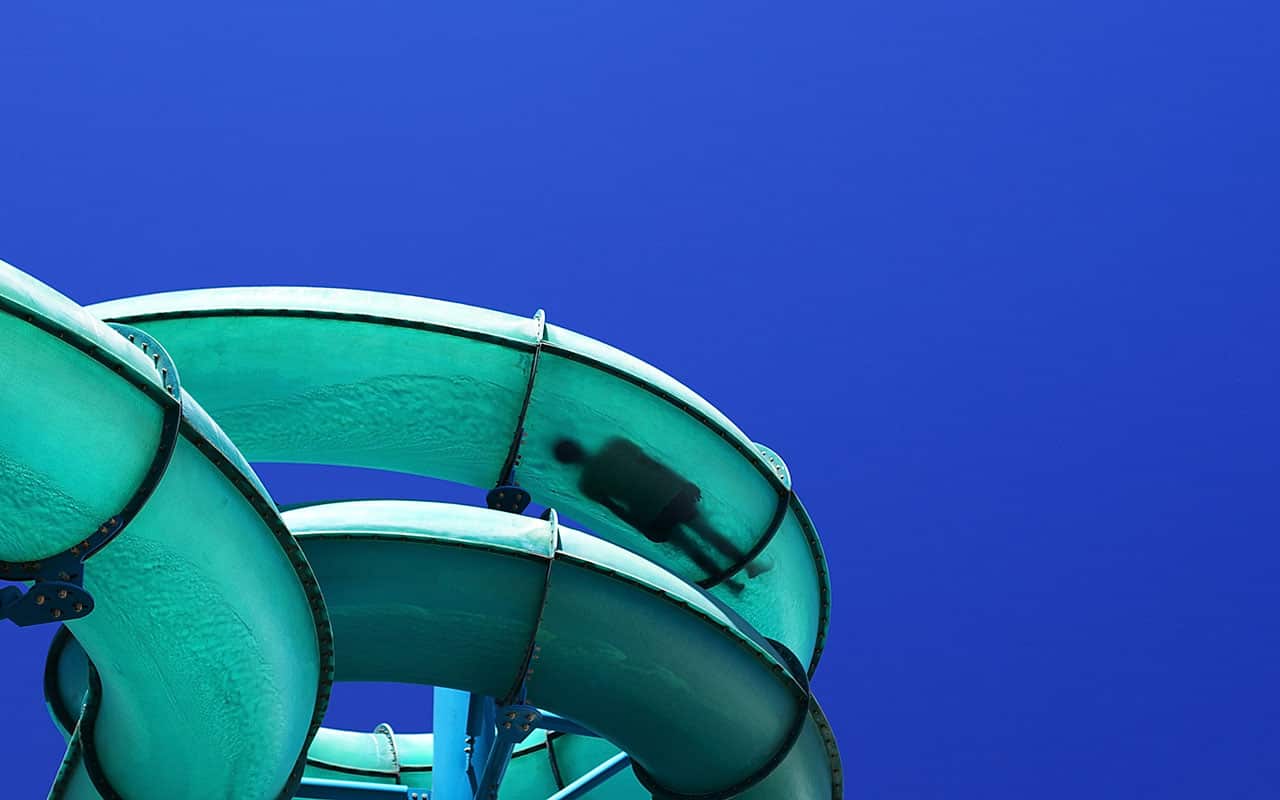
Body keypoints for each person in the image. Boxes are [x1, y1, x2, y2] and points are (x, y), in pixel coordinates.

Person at [553, 437, 774, 590]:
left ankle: (732, 582)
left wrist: (645, 527)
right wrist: (684, 484)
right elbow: (654, 465)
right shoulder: (614, 448)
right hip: (666, 496)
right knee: (706, 535)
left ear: (568, 462)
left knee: (694, 546)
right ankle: (746, 568)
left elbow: (618, 509)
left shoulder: (589, 481)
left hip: (653, 510)